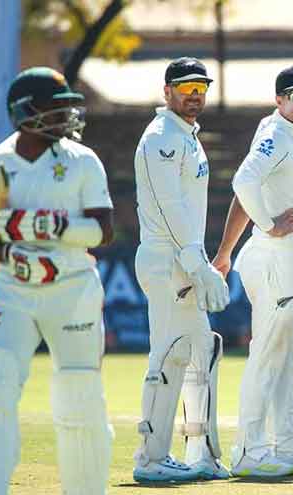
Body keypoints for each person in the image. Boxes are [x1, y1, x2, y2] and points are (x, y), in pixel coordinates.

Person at [0, 67, 114, 494]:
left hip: (72, 288)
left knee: (79, 389)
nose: (66, 116)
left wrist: (53, 226)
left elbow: (103, 231)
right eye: (56, 108)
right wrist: (11, 256)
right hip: (12, 291)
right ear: (25, 112)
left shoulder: (82, 160)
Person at [131, 57, 230, 482]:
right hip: (166, 260)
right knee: (169, 355)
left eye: (201, 88)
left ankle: (200, 452)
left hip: (184, 261)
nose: (194, 95)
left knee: (200, 351)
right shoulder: (161, 138)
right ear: (167, 91)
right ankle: (150, 458)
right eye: (186, 87)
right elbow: (169, 207)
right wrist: (198, 266)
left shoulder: (186, 135)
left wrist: (196, 264)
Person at [225, 66, 293, 479]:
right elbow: (243, 179)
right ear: (279, 100)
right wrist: (267, 224)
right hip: (276, 257)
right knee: (267, 353)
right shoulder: (277, 135)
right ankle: (249, 449)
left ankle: (284, 441)